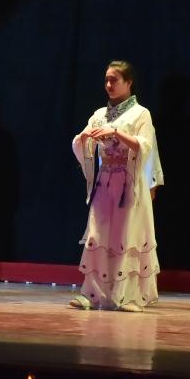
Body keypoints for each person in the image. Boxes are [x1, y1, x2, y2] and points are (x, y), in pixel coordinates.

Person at [70, 60, 161, 311]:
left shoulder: (141, 114)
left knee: (124, 236)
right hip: (105, 182)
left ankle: (126, 295)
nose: (109, 84)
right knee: (97, 235)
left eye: (114, 80)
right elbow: (81, 144)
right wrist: (83, 139)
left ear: (128, 83)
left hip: (128, 184)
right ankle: (91, 293)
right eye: (107, 80)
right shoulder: (99, 114)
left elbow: (145, 147)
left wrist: (117, 133)